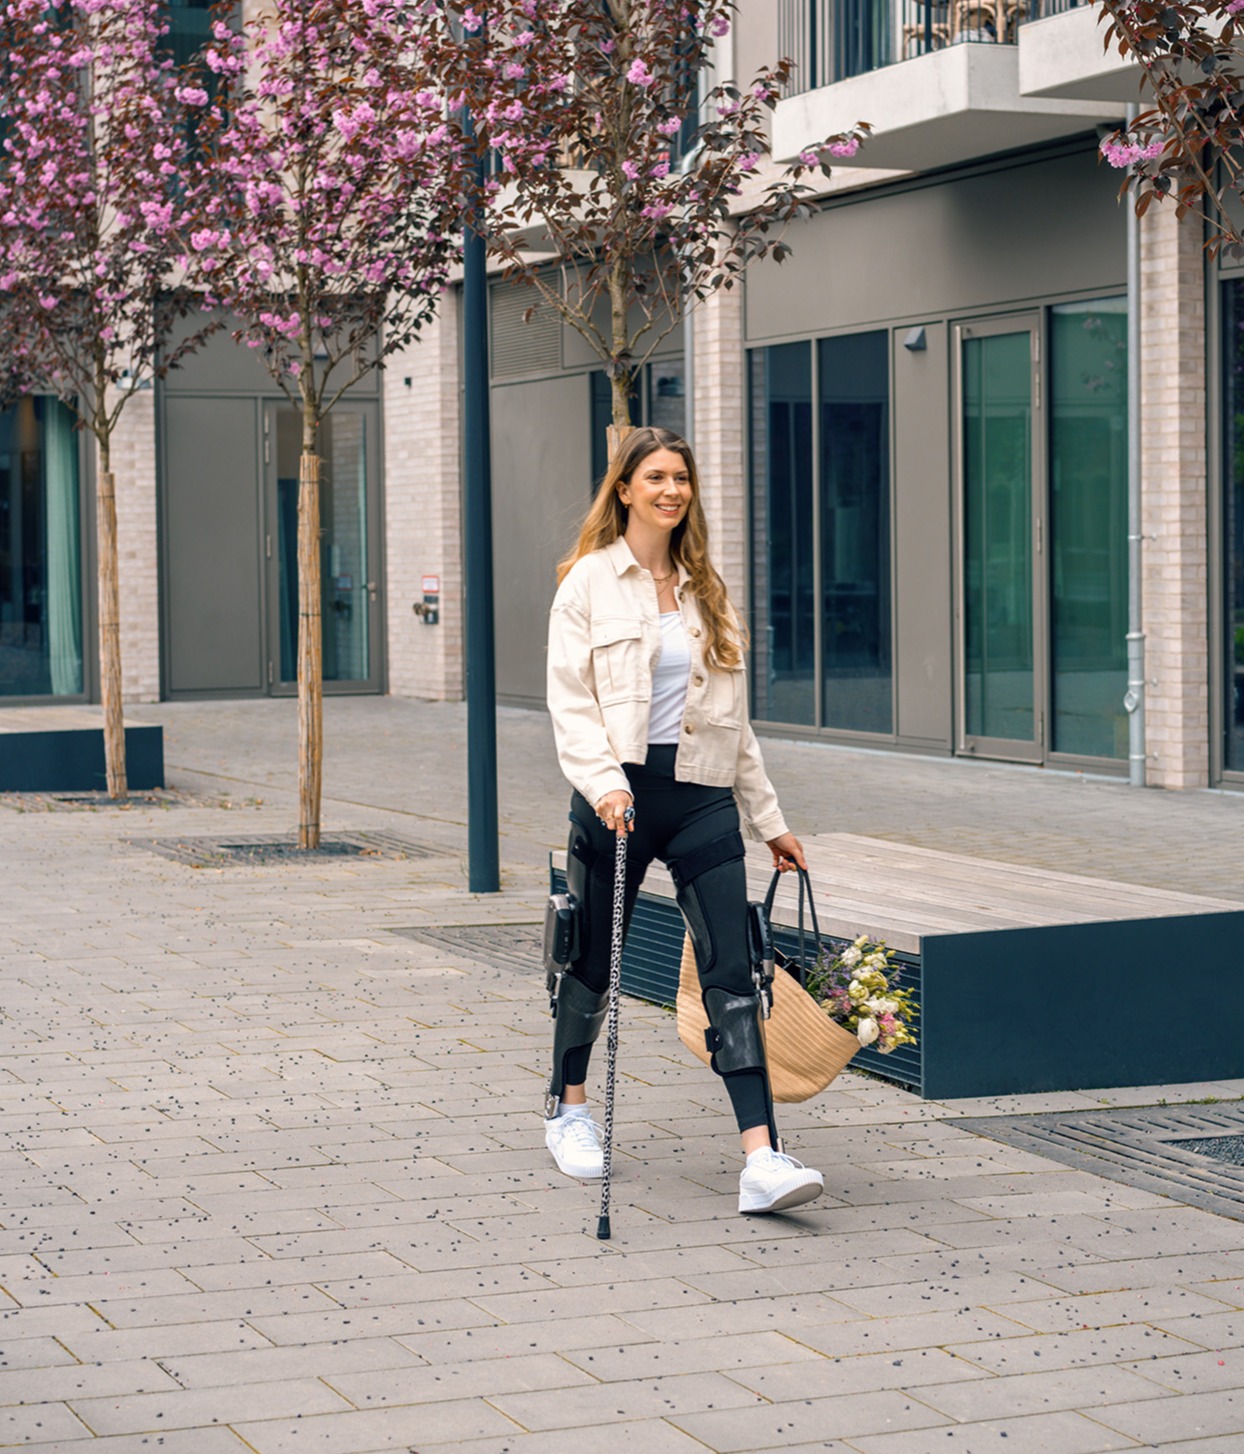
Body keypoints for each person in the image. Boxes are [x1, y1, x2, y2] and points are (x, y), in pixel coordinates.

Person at [543, 425, 824, 1215]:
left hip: (700, 793)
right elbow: (570, 703)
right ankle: (567, 1109)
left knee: (733, 972)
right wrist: (603, 784)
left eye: (681, 479)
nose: (671, 490)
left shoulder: (706, 587)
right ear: (624, 489)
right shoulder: (588, 584)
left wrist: (770, 821)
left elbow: (735, 723)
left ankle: (761, 1160)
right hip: (620, 797)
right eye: (656, 477)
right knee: (594, 963)